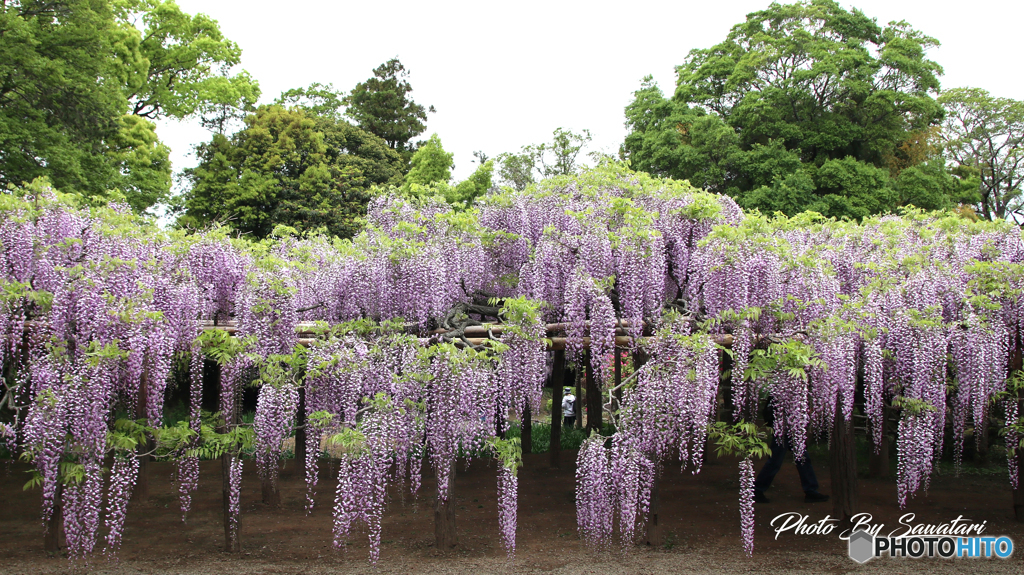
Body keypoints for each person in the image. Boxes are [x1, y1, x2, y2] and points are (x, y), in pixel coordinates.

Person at [754, 399, 829, 504]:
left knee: (803, 460)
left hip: (793, 430)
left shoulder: (795, 390)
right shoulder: (782, 391)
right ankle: (757, 489)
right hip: (783, 431)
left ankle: (811, 491)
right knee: (775, 461)